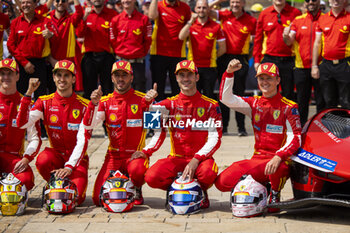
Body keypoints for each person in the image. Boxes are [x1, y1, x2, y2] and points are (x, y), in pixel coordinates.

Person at [216, 60, 301, 213]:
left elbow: (296, 138)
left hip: (280, 162)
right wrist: (228, 73)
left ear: (278, 80)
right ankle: (260, 186)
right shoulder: (254, 104)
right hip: (257, 160)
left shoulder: (289, 107)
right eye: (261, 78)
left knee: (275, 169)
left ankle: (274, 193)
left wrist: (278, 156)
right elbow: (225, 98)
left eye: (269, 78)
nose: (265, 82)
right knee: (222, 182)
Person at [141, 60, 222, 209]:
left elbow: (215, 139)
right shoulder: (168, 104)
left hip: (200, 159)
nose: (185, 79)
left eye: (189, 75)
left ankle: (201, 190)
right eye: (181, 75)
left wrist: (196, 159)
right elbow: (152, 128)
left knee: (208, 174)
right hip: (176, 158)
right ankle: (176, 188)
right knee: (151, 177)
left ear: (197, 77)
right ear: (176, 79)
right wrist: (147, 103)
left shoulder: (211, 105)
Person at [82, 60, 158, 206]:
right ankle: (122, 179)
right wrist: (93, 105)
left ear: (132, 78)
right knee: (98, 199)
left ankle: (136, 186)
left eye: (125, 75)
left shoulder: (144, 99)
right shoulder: (104, 101)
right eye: (117, 75)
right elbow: (88, 125)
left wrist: (146, 152)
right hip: (113, 157)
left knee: (137, 169)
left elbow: (157, 130)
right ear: (112, 78)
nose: (121, 79)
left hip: (134, 157)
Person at [16, 60, 92, 205]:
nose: (62, 79)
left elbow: (83, 141)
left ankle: (64, 183)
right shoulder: (44, 102)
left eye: (66, 75)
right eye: (58, 75)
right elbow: (22, 124)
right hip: (56, 156)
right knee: (43, 159)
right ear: (53, 77)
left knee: (77, 198)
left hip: (77, 160)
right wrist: (28, 94)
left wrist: (70, 166)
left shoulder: (84, 105)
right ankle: (55, 184)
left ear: (74, 78)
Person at [209, 0, 257, 136]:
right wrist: (219, 1)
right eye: (232, 2)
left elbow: (255, 41)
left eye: (238, 2)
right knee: (224, 94)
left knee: (239, 95)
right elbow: (206, 9)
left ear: (243, 3)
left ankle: (241, 128)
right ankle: (224, 128)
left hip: (241, 59)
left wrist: (248, 57)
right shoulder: (224, 14)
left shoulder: (251, 20)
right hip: (224, 58)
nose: (235, 5)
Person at [0, 58, 41, 192]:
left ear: (17, 76)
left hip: (14, 159)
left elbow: (35, 138)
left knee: (27, 181)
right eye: (2, 74)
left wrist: (26, 159)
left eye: (9, 73)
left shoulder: (27, 103)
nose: (5, 77)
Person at [282, 0, 324, 126]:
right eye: (307, 0)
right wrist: (285, 36)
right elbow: (289, 41)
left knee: (322, 101)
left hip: (321, 67)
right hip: (301, 67)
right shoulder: (298, 20)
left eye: (314, 0)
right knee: (302, 100)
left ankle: (322, 130)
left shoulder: (325, 18)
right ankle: (301, 130)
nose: (310, 2)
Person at [253, 0, 301, 101]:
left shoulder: (296, 13)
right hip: (269, 59)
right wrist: (257, 60)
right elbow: (258, 39)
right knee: (268, 93)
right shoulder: (264, 14)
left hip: (289, 60)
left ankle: (287, 117)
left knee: (288, 94)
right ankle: (267, 116)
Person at [178, 0, 226, 100]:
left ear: (208, 9)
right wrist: (191, 21)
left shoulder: (216, 26)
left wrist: (212, 57)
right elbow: (181, 37)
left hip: (210, 68)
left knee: (208, 97)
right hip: (193, 68)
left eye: (204, 8)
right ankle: (193, 116)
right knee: (192, 96)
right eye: (199, 8)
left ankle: (208, 116)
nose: (201, 10)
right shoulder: (191, 25)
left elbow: (223, 48)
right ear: (195, 9)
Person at [148, 0, 192, 101]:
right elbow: (151, 16)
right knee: (158, 89)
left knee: (178, 89)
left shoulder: (184, 7)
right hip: (158, 54)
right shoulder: (158, 4)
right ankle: (158, 115)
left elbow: (189, 27)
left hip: (178, 55)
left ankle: (177, 115)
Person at [7, 0, 51, 98]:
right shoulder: (15, 22)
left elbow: (54, 37)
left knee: (41, 98)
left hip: (39, 65)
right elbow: (10, 45)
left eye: (28, 2)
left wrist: (50, 34)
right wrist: (24, 63)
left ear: (35, 4)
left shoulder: (45, 21)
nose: (25, 5)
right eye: (23, 3)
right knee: (21, 97)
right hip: (21, 65)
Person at [311, 0, 350, 109]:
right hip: (326, 65)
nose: (336, 1)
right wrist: (314, 66)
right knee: (328, 101)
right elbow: (317, 43)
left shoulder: (349, 17)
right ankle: (331, 126)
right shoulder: (322, 19)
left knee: (346, 101)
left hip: (344, 64)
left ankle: (346, 126)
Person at [110, 0, 152, 92]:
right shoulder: (115, 20)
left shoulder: (144, 19)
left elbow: (148, 40)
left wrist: (139, 53)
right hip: (121, 61)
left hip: (137, 62)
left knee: (139, 92)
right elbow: (112, 40)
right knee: (120, 91)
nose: (126, 1)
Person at [79, 0, 118, 99]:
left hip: (107, 56)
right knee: (89, 89)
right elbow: (79, 33)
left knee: (107, 89)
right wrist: (84, 18)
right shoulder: (85, 13)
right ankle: (89, 113)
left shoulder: (113, 14)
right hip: (89, 57)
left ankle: (107, 112)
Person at [44, 0, 84, 93]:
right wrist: (51, 59)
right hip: (50, 62)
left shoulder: (70, 19)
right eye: (57, 0)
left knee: (67, 93)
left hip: (67, 63)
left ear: (67, 3)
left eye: (64, 1)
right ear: (53, 2)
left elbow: (79, 13)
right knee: (51, 94)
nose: (60, 3)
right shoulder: (46, 18)